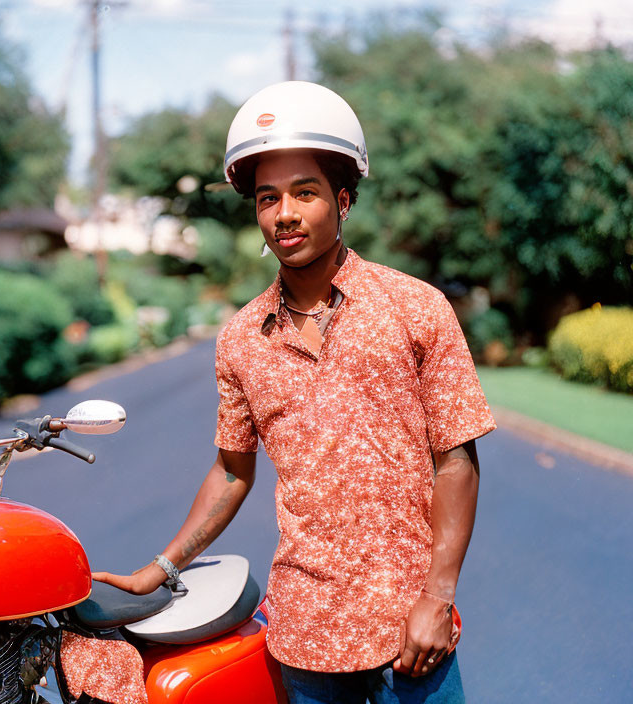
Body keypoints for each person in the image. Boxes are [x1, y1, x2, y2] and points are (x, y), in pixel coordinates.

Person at [93, 81, 496, 704]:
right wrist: (159, 569)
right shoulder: (240, 340)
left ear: (343, 199)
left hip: (411, 635)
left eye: (305, 193)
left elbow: (456, 460)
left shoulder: (416, 308)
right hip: (304, 638)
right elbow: (232, 472)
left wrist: (437, 596)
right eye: (267, 198)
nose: (285, 213)